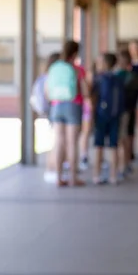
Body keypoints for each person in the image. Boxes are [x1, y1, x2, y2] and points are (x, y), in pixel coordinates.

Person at [46, 40, 90, 187]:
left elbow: (47, 91)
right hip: (73, 105)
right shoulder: (77, 69)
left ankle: (58, 177)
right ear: (75, 53)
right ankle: (72, 178)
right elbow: (85, 92)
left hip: (56, 106)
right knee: (72, 143)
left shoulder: (54, 67)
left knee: (59, 141)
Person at [91, 53, 126, 185]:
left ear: (105, 63)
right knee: (114, 146)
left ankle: (96, 175)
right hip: (115, 116)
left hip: (101, 116)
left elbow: (93, 97)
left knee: (99, 146)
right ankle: (113, 176)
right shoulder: (118, 79)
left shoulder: (99, 79)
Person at [30, 52, 61, 184]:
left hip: (49, 111)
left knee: (56, 140)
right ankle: (52, 169)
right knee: (57, 141)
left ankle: (53, 168)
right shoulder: (52, 77)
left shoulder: (42, 77)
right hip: (54, 109)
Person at [117, 49, 138, 179]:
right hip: (131, 109)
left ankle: (122, 165)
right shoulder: (134, 76)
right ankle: (127, 163)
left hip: (121, 110)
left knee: (122, 137)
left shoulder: (118, 76)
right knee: (128, 136)